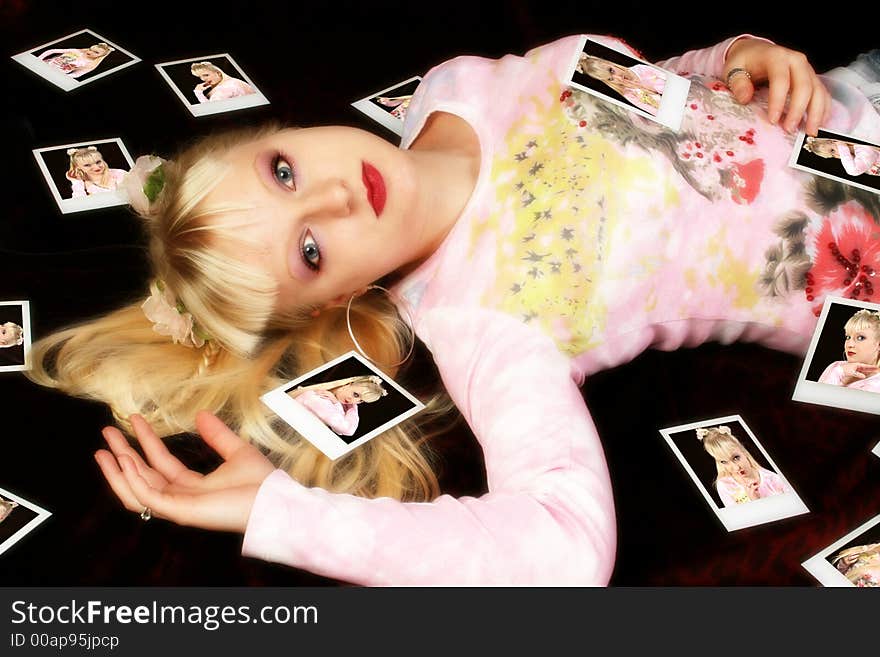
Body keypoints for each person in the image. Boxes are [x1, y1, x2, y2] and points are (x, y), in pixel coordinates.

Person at [26, 32, 880, 585]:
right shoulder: (482, 320)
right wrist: (283, 512)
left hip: (856, 95)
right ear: (334, 299)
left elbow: (648, 92)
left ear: (274, 132)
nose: (333, 196)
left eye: (282, 173)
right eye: (310, 251)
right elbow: (566, 552)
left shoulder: (452, 83)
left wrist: (733, 60)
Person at [696, 426, 793, 507]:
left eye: (736, 457)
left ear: (743, 451)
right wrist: (753, 501)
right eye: (724, 462)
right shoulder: (725, 486)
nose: (736, 468)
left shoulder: (772, 478)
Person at [288, 375, 387, 436]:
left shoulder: (334, 403)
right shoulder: (319, 397)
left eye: (360, 401)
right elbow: (347, 429)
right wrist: (338, 404)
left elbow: (343, 430)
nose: (353, 401)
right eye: (355, 394)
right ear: (348, 385)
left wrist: (339, 403)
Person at [576, 52, 666, 115]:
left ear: (611, 63)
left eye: (611, 70)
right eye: (610, 79)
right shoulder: (628, 93)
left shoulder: (641, 69)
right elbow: (655, 112)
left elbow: (669, 80)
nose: (618, 78)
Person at [818, 308, 880, 391]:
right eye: (848, 337)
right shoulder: (836, 366)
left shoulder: (876, 385)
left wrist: (838, 375)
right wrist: (839, 373)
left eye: (861, 338)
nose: (850, 344)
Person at [803, 136, 880, 176]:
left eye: (832, 150)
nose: (836, 155)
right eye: (832, 155)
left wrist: (842, 147)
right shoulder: (856, 157)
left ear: (834, 141)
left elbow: (853, 171)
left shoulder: (865, 151)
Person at [38, 42, 114, 78]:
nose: (90, 52)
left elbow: (77, 74)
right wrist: (39, 59)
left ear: (100, 56)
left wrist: (64, 76)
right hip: (45, 65)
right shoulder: (76, 51)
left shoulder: (90, 64)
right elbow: (51, 51)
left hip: (55, 75)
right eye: (90, 49)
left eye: (96, 52)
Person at [190, 62, 256, 103]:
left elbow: (211, 110)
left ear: (218, 73)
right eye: (200, 77)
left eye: (206, 75)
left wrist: (198, 92)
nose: (203, 79)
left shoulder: (223, 89)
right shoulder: (234, 81)